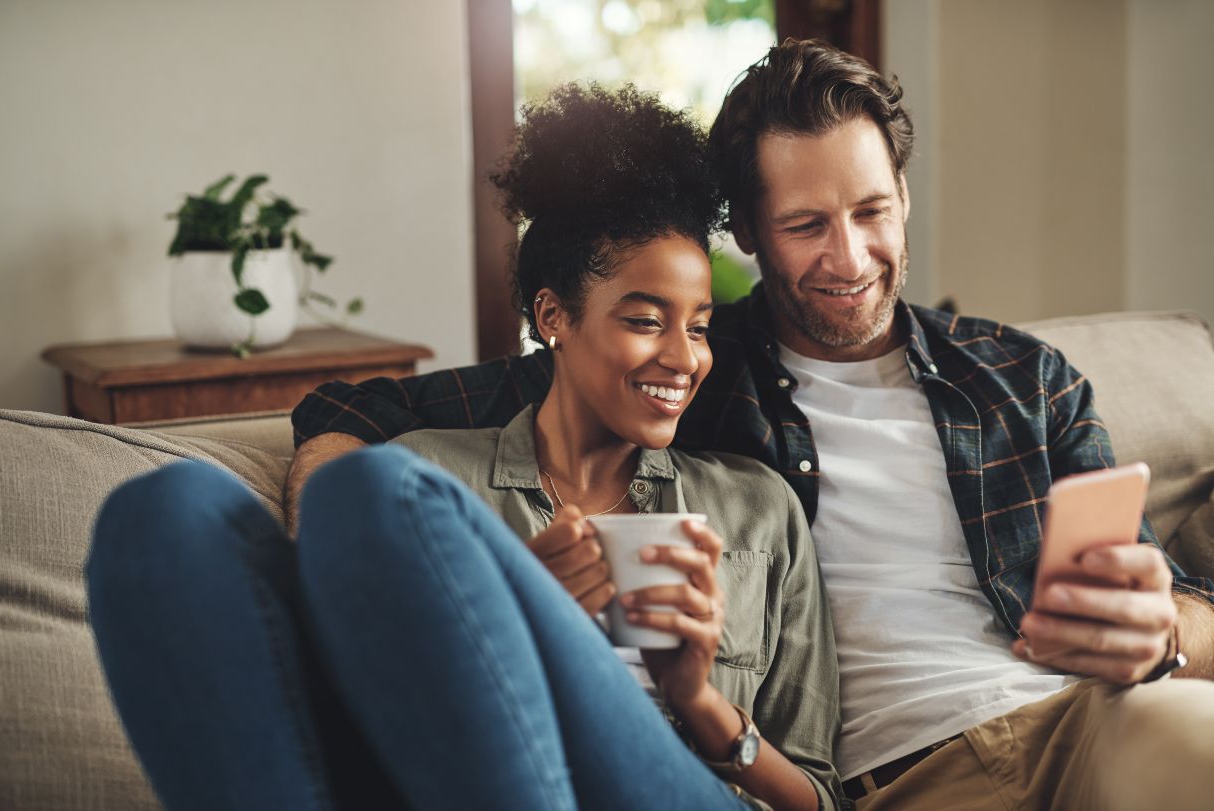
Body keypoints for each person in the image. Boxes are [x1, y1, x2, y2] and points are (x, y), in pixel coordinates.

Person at [288, 40, 1214, 810]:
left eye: (871, 211)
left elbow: (1182, 609)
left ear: (903, 192)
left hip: (1091, 722)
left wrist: (1160, 631)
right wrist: (320, 541)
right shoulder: (692, 370)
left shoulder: (1023, 378)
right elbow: (359, 412)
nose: (848, 257)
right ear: (748, 233)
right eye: (807, 224)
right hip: (911, 777)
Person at [87, 84, 842, 811]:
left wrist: (699, 699)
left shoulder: (757, 508)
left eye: (700, 325)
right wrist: (520, 611)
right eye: (646, 321)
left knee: (372, 488)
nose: (685, 358)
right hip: (462, 776)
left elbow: (819, 798)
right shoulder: (437, 480)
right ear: (553, 315)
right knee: (163, 508)